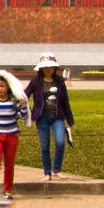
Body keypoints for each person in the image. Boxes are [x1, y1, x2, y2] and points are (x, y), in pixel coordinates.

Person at [25, 54, 75, 182]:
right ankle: (47, 173)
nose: (48, 69)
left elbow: (65, 100)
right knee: (45, 145)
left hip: (58, 116)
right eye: (45, 67)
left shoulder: (59, 81)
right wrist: (31, 113)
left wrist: (70, 120)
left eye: (51, 67)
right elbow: (24, 96)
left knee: (60, 142)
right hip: (42, 117)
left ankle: (57, 170)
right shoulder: (36, 81)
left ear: (54, 68)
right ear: (41, 68)